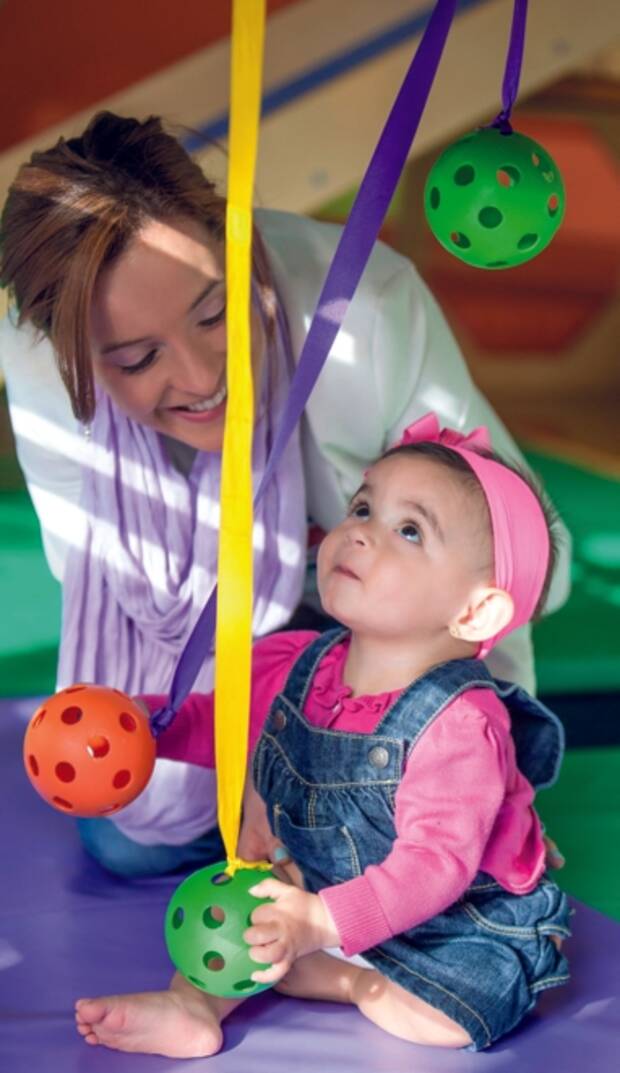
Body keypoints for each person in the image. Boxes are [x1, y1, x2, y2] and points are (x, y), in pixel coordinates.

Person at [0, 111, 571, 877]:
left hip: (395, 637)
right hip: (228, 643)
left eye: (216, 312)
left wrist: (493, 769)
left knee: (427, 836)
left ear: (236, 244)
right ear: (71, 350)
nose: (206, 378)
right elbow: (101, 576)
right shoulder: (45, 368)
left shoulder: (362, 313)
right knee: (126, 839)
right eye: (138, 358)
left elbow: (523, 558)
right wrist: (244, 770)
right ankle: (317, 814)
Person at [74, 413, 571, 1057]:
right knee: (233, 919)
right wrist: (139, 728)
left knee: (463, 1010)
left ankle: (347, 983)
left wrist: (322, 925)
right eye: (363, 507)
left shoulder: (459, 728)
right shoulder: (299, 663)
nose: (361, 533)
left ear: (475, 611)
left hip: (445, 923)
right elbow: (220, 727)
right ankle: (192, 1006)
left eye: (409, 530)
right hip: (315, 893)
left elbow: (434, 867)